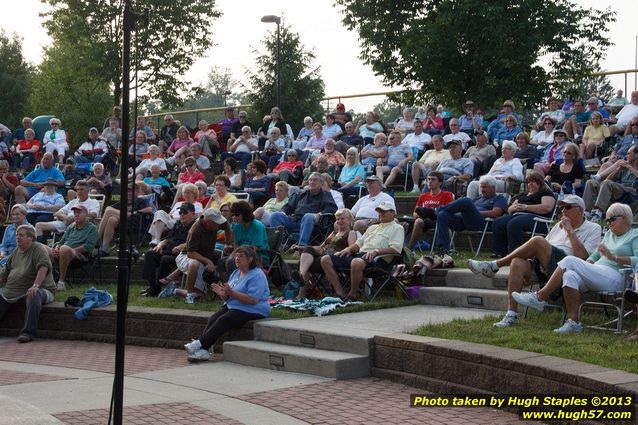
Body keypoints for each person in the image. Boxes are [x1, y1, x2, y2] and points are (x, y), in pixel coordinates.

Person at [468, 195, 601, 328]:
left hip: (568, 267)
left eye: (568, 207)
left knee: (538, 240)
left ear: (581, 210)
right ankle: (511, 315)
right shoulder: (558, 226)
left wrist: (570, 231)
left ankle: (495, 265)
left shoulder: (593, 228)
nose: (563, 211)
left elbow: (583, 258)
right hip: (545, 265)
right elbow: (545, 247)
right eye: (561, 207)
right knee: (517, 262)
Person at [513, 203, 638, 334]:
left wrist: (614, 258)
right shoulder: (609, 235)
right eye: (607, 220)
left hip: (617, 276)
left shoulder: (634, 235)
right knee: (569, 275)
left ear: (624, 218)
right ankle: (573, 322)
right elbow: (595, 255)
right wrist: (587, 265)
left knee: (570, 260)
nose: (608, 223)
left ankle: (540, 297)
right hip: (598, 272)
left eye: (612, 219)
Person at [183, 246, 270, 362]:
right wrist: (223, 294)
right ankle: (203, 350)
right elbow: (229, 294)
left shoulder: (257, 275)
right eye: (236, 256)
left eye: (241, 256)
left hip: (254, 309)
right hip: (236, 305)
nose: (237, 259)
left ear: (250, 260)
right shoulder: (236, 272)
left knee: (224, 319)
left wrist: (231, 293)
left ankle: (200, 344)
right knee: (214, 318)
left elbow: (253, 300)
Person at [320, 201, 403, 301]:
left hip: (379, 261)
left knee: (356, 262)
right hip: (360, 256)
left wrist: (376, 251)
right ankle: (340, 293)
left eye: (383, 211)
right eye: (379, 211)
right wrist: (348, 249)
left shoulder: (397, 228)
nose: (380, 213)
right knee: (326, 259)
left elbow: (396, 249)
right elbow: (358, 245)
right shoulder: (372, 227)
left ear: (393, 213)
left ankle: (352, 294)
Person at [159, 208, 232, 304]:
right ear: (208, 222)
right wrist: (208, 261)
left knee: (199, 295)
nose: (219, 225)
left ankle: (174, 290)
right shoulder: (195, 230)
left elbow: (226, 225)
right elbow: (190, 253)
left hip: (202, 256)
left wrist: (227, 243)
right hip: (186, 256)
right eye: (216, 224)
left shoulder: (215, 222)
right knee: (195, 263)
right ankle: (189, 295)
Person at [0, 224, 56, 343]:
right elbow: (6, 272)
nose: (18, 237)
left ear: (30, 237)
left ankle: (28, 332)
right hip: (12, 292)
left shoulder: (38, 249)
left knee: (33, 295)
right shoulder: (16, 251)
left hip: (41, 290)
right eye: (17, 235)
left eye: (21, 235)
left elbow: (43, 267)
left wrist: (35, 286)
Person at [428, 175, 508, 252]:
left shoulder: (499, 198)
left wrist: (474, 212)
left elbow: (495, 213)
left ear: (493, 187)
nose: (482, 189)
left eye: (485, 187)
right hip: (464, 221)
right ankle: (443, 249)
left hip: (480, 223)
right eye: (481, 187)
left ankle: (435, 211)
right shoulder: (477, 199)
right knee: (442, 215)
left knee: (466, 201)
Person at [292, 208, 357, 299]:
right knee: (306, 251)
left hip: (335, 260)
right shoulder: (334, 233)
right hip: (323, 256)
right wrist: (300, 247)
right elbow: (320, 248)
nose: (339, 221)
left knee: (310, 261)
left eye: (342, 218)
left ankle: (340, 293)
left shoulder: (351, 233)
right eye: (338, 219)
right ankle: (301, 279)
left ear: (349, 220)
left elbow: (351, 249)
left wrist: (338, 253)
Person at [491, 171, 556, 257]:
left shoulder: (545, 193)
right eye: (529, 182)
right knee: (498, 222)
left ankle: (514, 254)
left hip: (538, 219)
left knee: (514, 223)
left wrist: (526, 207)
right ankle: (499, 252)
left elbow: (547, 207)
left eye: (533, 182)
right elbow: (509, 210)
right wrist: (512, 208)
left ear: (540, 183)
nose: (530, 184)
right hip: (517, 216)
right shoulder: (523, 195)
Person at [140, 202, 196, 297]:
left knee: (165, 260)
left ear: (193, 213)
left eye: (185, 212)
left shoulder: (195, 226)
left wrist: (182, 246)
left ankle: (155, 289)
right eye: (180, 212)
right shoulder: (178, 224)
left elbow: (195, 242)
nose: (182, 214)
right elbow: (169, 238)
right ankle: (153, 286)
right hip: (168, 251)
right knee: (150, 254)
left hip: (182, 256)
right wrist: (161, 244)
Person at [269, 173, 338, 247]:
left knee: (308, 216)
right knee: (275, 215)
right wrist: (283, 212)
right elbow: (288, 206)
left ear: (321, 183)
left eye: (315, 180)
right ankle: (275, 245)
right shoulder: (301, 194)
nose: (312, 182)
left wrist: (319, 214)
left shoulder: (325, 195)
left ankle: (301, 246)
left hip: (312, 223)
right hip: (295, 220)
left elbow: (332, 208)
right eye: (310, 180)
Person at [45, 205, 99, 291]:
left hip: (80, 256)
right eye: (75, 213)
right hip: (63, 252)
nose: (76, 215)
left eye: (79, 213)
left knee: (65, 249)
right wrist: (56, 249)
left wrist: (68, 250)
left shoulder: (92, 228)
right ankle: (44, 282)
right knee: (40, 247)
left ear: (86, 214)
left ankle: (61, 283)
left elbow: (87, 247)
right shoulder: (71, 227)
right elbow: (61, 242)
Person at [583, 145, 638, 221]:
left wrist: (629, 167)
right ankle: (586, 212)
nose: (626, 155)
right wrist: (618, 169)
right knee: (590, 182)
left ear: (636, 155)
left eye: (628, 153)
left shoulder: (629, 167)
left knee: (608, 183)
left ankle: (598, 212)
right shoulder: (624, 168)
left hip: (632, 192)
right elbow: (606, 181)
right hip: (619, 190)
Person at [97, 182, 154, 257]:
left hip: (135, 223)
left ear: (137, 192)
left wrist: (134, 212)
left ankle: (97, 238)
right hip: (123, 222)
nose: (129, 193)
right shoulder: (124, 202)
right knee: (112, 219)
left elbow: (150, 209)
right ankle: (104, 248)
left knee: (109, 211)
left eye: (131, 191)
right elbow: (109, 208)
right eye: (128, 191)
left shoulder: (141, 200)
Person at [34, 181, 100, 240]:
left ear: (88, 190)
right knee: (39, 225)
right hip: (65, 222)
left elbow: (94, 214)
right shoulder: (73, 202)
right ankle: (42, 249)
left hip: (80, 224)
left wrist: (75, 217)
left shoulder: (93, 202)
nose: (79, 191)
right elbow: (58, 213)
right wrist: (66, 218)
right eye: (78, 190)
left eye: (82, 189)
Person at [220, 200, 269, 277]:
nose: (234, 217)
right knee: (222, 261)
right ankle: (226, 285)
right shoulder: (237, 226)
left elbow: (254, 249)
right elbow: (236, 247)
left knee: (232, 262)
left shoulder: (257, 226)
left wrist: (235, 258)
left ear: (245, 214)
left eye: (237, 215)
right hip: (242, 254)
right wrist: (231, 257)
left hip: (258, 255)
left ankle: (238, 285)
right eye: (232, 215)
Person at [406, 171, 454, 249]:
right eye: (428, 179)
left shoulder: (447, 195)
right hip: (423, 220)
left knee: (419, 221)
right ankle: (400, 246)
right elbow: (415, 213)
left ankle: (409, 248)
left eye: (433, 179)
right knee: (403, 222)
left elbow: (449, 211)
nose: (430, 181)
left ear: (440, 183)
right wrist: (420, 214)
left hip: (437, 221)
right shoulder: (423, 196)